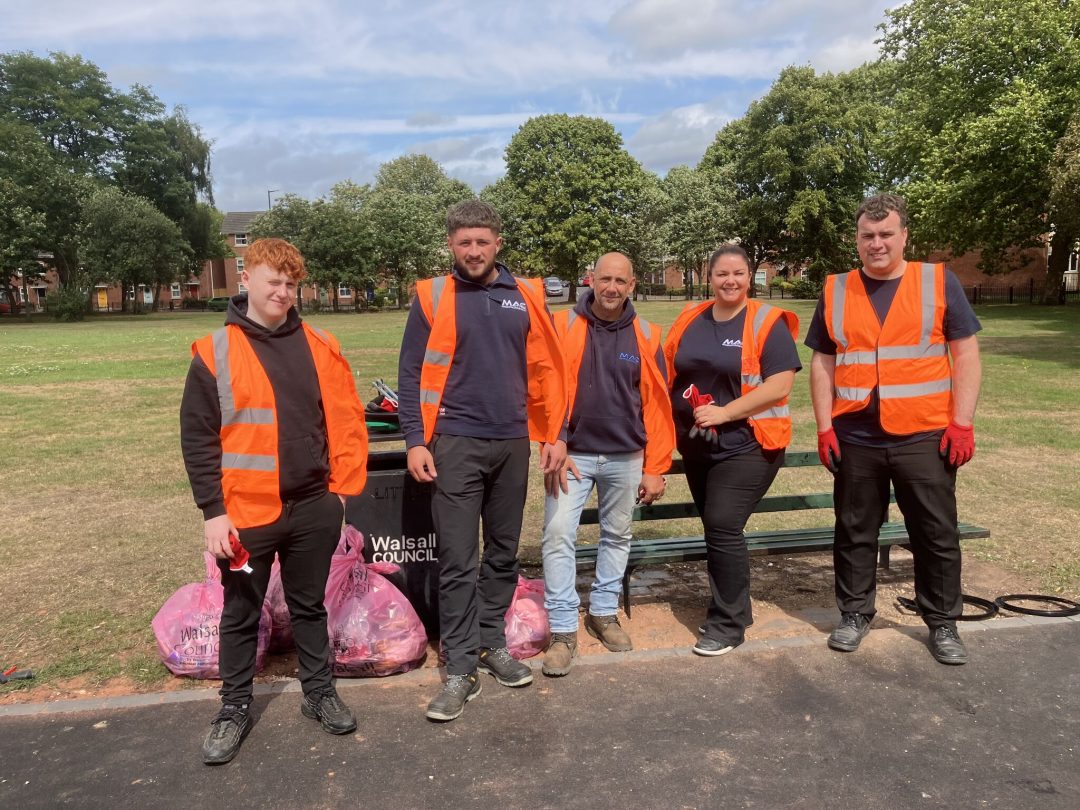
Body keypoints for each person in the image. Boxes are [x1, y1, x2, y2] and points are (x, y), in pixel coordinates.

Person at [180, 238, 369, 765]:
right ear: (247, 281)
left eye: (291, 284)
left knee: (310, 606)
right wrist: (212, 512)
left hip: (314, 506)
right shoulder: (215, 351)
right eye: (273, 282)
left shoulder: (320, 343)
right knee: (241, 613)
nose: (283, 292)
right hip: (245, 513)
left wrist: (337, 495)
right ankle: (233, 708)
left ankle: (319, 693)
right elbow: (198, 439)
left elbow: (346, 421)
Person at [397, 200, 566, 721]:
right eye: (464, 242)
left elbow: (548, 371)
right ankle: (460, 668)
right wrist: (415, 441)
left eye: (483, 241)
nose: (474, 250)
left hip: (513, 441)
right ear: (452, 245)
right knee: (457, 560)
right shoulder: (434, 295)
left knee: (502, 554)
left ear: (498, 242)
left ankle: (492, 645)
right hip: (455, 442)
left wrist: (554, 433)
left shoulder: (526, 295)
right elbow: (408, 375)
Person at [806, 192, 982, 665]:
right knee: (854, 530)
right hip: (856, 435)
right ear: (856, 239)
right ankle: (855, 614)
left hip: (924, 435)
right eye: (868, 236)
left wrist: (961, 423)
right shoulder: (836, 288)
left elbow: (965, 355)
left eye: (886, 234)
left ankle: (943, 622)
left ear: (905, 236)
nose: (876, 243)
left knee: (934, 532)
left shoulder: (938, 281)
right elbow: (822, 362)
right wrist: (825, 427)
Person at [540, 252, 675, 677]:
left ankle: (603, 613)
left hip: (626, 455)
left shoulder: (647, 334)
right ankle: (562, 629)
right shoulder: (563, 325)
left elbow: (657, 406)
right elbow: (543, 390)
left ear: (632, 285)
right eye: (604, 279)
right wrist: (554, 439)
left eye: (620, 280)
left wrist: (656, 465)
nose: (611, 287)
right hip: (572, 455)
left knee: (617, 535)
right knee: (558, 534)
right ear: (591, 280)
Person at [663, 245, 801, 657]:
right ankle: (737, 606)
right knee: (717, 528)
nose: (730, 281)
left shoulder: (765, 321)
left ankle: (727, 625)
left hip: (750, 444)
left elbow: (779, 385)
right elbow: (668, 369)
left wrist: (725, 414)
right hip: (698, 445)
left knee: (723, 523)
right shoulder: (691, 316)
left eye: (738, 273)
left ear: (751, 276)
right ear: (710, 276)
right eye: (722, 273)